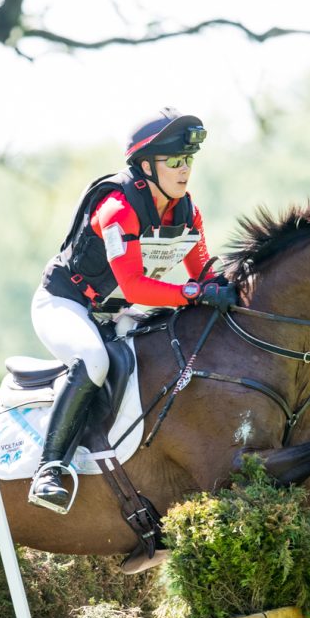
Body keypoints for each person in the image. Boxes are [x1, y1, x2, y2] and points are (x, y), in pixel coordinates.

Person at [28, 107, 238, 513]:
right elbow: (135, 285)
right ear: (145, 166)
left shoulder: (187, 211)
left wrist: (236, 290)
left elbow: (204, 272)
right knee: (92, 360)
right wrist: (196, 292)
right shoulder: (116, 208)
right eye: (174, 161)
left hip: (118, 313)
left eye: (188, 160)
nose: (184, 170)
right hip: (65, 304)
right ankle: (49, 469)